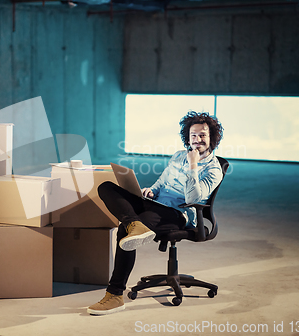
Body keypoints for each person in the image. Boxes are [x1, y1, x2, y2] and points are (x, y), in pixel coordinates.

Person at [87, 111, 224, 315]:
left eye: (203, 135)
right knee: (107, 187)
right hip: (155, 204)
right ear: (187, 137)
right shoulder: (178, 156)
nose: (197, 140)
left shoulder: (213, 169)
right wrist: (150, 190)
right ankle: (135, 224)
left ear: (212, 137)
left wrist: (193, 165)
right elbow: (162, 182)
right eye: (193, 135)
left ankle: (114, 295)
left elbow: (193, 198)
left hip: (178, 214)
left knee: (125, 231)